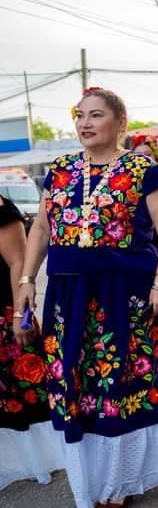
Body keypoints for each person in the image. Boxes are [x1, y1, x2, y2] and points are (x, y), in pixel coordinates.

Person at [14, 87, 158, 508]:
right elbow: (40, 228)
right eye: (79, 116)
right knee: (78, 384)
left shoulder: (141, 169)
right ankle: (91, 475)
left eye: (96, 115)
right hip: (68, 294)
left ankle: (118, 482)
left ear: (121, 122)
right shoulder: (58, 170)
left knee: (117, 387)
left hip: (124, 296)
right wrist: (25, 280)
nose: (85, 123)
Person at [1, 194, 61, 489]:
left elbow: (17, 262)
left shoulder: (1, 208)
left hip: (4, 312)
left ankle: (26, 460)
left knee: (17, 391)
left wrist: (18, 313)